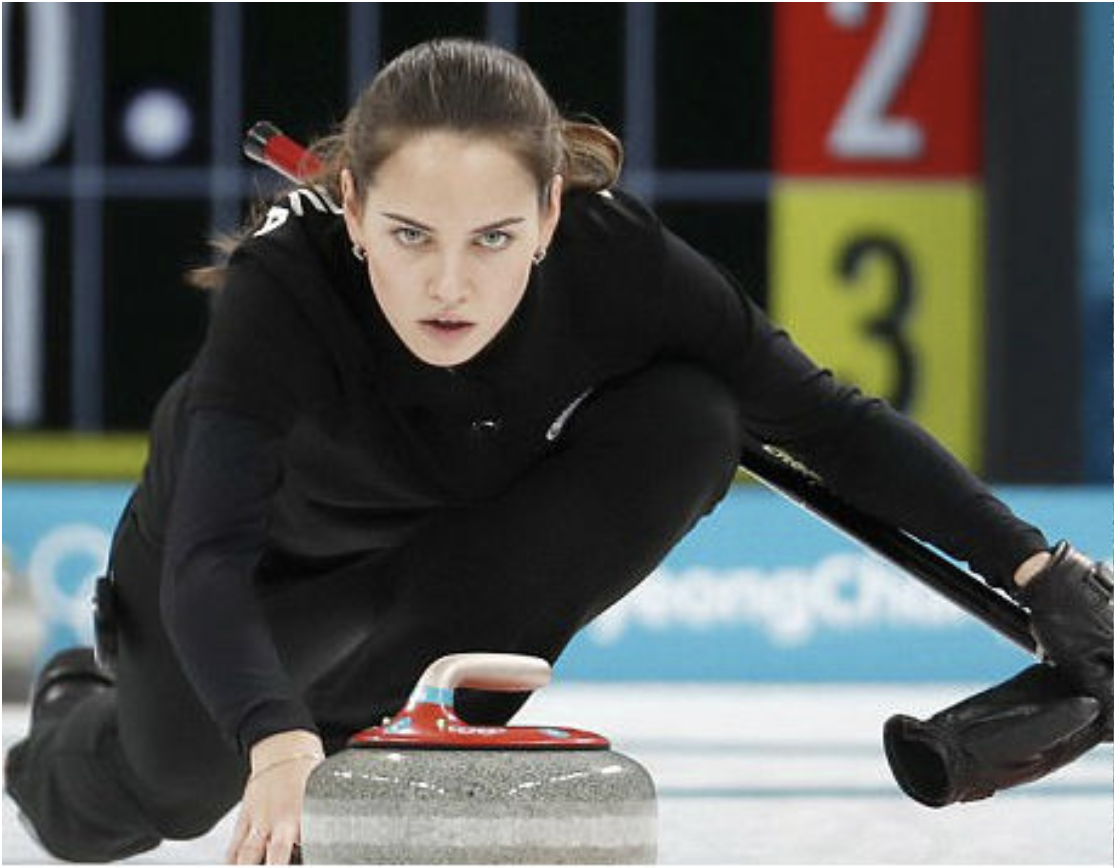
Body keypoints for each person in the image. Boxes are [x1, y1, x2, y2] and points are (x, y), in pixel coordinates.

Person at [5, 38, 1111, 865]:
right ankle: (72, 703)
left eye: (493, 237)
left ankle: (423, 725)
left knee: (697, 415)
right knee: (150, 798)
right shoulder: (282, 289)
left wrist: (1033, 567)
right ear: (348, 205)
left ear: (546, 213)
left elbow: (826, 421)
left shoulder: (619, 260)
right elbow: (206, 561)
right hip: (251, 575)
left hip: (446, 556)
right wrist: (274, 737)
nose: (450, 284)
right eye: (409, 236)